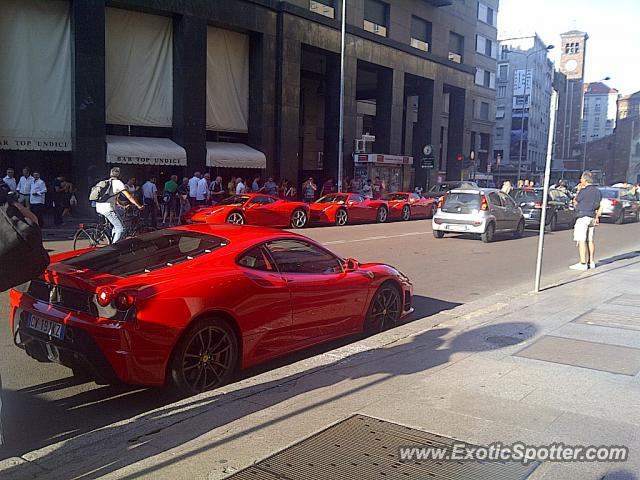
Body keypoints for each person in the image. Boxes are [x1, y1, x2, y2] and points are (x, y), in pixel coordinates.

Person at [96, 167, 143, 243]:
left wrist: (122, 205)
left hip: (99, 207)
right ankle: (113, 248)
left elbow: (115, 199)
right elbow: (129, 196)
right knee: (121, 228)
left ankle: (112, 240)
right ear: (120, 175)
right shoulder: (118, 183)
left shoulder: (107, 182)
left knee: (116, 224)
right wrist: (139, 205)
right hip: (108, 209)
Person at [570, 171, 603, 271]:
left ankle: (583, 263)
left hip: (583, 216)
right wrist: (597, 217)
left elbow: (575, 202)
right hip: (592, 217)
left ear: (585, 180)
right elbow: (600, 206)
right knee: (590, 240)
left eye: (581, 179)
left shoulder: (583, 191)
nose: (580, 180)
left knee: (581, 240)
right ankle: (591, 262)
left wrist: (578, 190)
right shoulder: (598, 191)